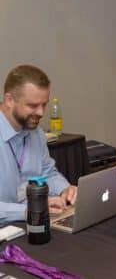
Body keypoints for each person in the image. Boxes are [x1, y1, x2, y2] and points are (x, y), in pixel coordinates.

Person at [0, 65, 77, 224]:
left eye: (44, 104)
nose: (41, 113)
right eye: (33, 106)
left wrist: (65, 189)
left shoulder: (36, 134)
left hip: (31, 222)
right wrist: (30, 210)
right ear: (9, 100)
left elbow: (47, 173)